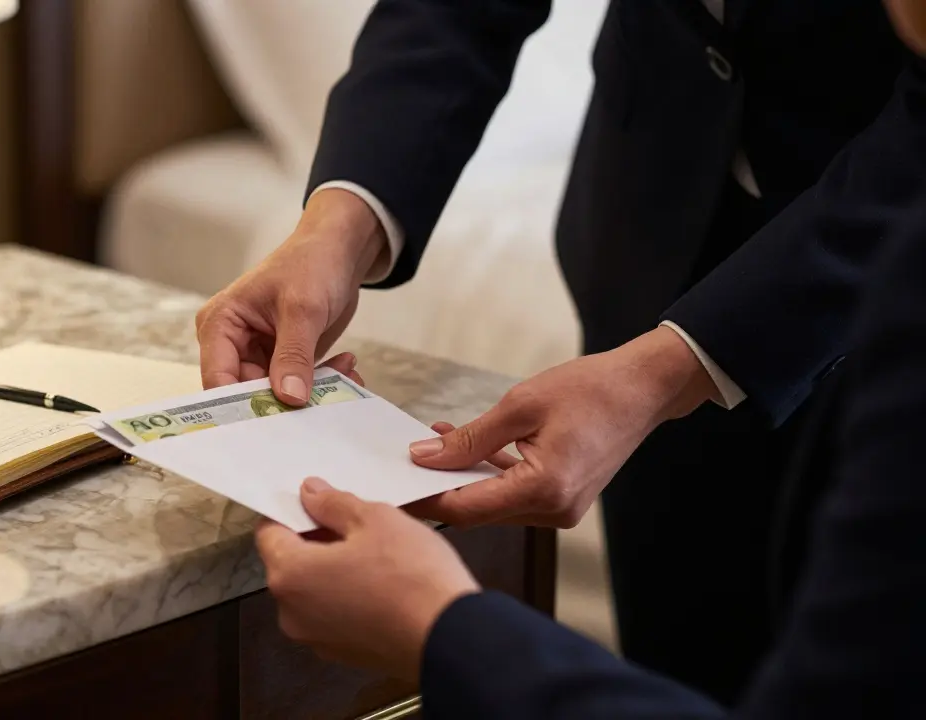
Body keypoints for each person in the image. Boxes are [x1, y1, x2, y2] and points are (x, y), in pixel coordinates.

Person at [196, 0, 926, 702]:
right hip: (649, 236)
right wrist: (339, 226)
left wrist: (444, 637)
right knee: (682, 655)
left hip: (877, 259)